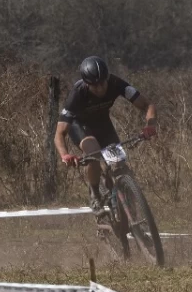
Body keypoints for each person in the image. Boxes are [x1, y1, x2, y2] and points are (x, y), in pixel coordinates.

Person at [54, 56, 157, 214]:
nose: (100, 88)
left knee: (119, 162)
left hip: (103, 123)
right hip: (80, 126)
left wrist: (150, 125)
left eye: (102, 83)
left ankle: (129, 208)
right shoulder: (77, 94)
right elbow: (60, 133)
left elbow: (147, 104)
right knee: (93, 152)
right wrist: (64, 155)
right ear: (87, 84)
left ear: (107, 78)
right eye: (95, 86)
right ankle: (94, 193)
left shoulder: (116, 83)